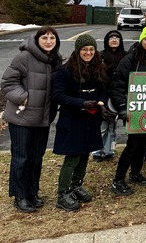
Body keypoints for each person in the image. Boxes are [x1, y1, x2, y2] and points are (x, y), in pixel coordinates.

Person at [1, 26, 62, 213]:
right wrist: (23, 97)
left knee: (36, 157)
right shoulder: (24, 57)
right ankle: (20, 196)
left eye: (52, 38)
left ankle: (32, 192)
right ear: (37, 40)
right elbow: (8, 83)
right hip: (22, 117)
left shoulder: (55, 60)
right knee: (21, 158)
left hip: (43, 118)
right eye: (45, 37)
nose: (49, 41)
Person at [52, 34, 108, 211]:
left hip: (91, 119)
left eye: (91, 49)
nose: (88, 52)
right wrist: (81, 103)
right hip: (73, 118)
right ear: (78, 51)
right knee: (73, 156)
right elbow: (58, 95)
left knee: (85, 153)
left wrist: (101, 102)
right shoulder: (65, 70)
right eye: (84, 49)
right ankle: (63, 192)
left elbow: (103, 89)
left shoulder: (98, 67)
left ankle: (76, 185)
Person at [110, 26, 146, 196]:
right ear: (141, 40)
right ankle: (118, 179)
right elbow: (117, 85)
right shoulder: (130, 59)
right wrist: (122, 108)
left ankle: (135, 173)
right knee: (132, 145)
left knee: (145, 144)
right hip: (133, 110)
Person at [92, 30, 126, 161]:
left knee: (113, 125)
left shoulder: (125, 56)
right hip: (102, 94)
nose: (114, 40)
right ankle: (96, 150)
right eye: (111, 37)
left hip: (117, 95)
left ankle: (109, 150)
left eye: (117, 38)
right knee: (101, 124)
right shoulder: (100, 56)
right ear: (107, 40)